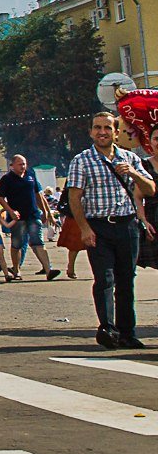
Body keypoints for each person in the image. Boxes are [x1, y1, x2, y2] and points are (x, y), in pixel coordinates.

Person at [63, 111, 157, 348]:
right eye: (97, 128)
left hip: (127, 226)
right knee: (104, 278)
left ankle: (127, 332)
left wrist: (133, 173)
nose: (102, 132)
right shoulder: (81, 160)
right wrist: (84, 228)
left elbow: (151, 189)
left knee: (127, 280)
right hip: (98, 226)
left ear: (116, 133)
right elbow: (75, 198)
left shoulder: (129, 158)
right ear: (91, 132)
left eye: (107, 128)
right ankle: (107, 328)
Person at [0, 154, 56, 281]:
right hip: (18, 218)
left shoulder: (30, 176)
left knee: (38, 242)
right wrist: (10, 212)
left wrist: (45, 211)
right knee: (17, 244)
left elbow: (38, 195)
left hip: (33, 215)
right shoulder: (7, 179)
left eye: (24, 164)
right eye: (20, 164)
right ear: (12, 165)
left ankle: (48, 270)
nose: (23, 166)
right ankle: (17, 271)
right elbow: (1, 198)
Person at [52, 182, 86, 280]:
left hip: (92, 215)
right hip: (74, 217)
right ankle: (71, 267)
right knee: (75, 245)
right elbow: (61, 204)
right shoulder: (71, 184)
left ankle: (99, 270)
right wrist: (71, 212)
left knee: (97, 245)